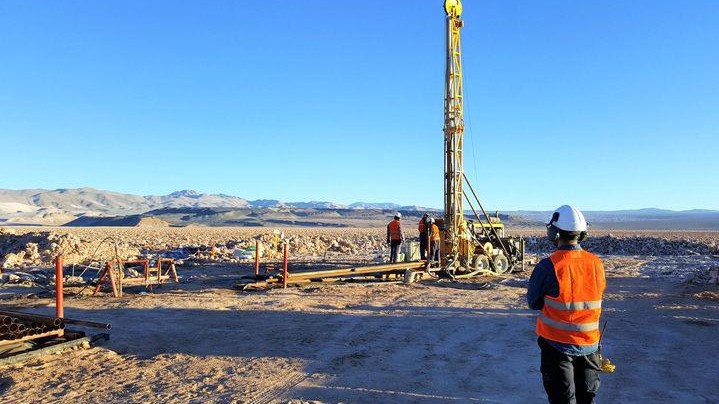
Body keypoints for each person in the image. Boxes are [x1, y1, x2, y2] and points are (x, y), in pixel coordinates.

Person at [527, 205, 606, 404]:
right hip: (590, 345)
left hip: (557, 347)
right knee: (587, 399)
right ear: (582, 234)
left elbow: (533, 302)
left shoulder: (548, 266)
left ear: (554, 233)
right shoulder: (596, 264)